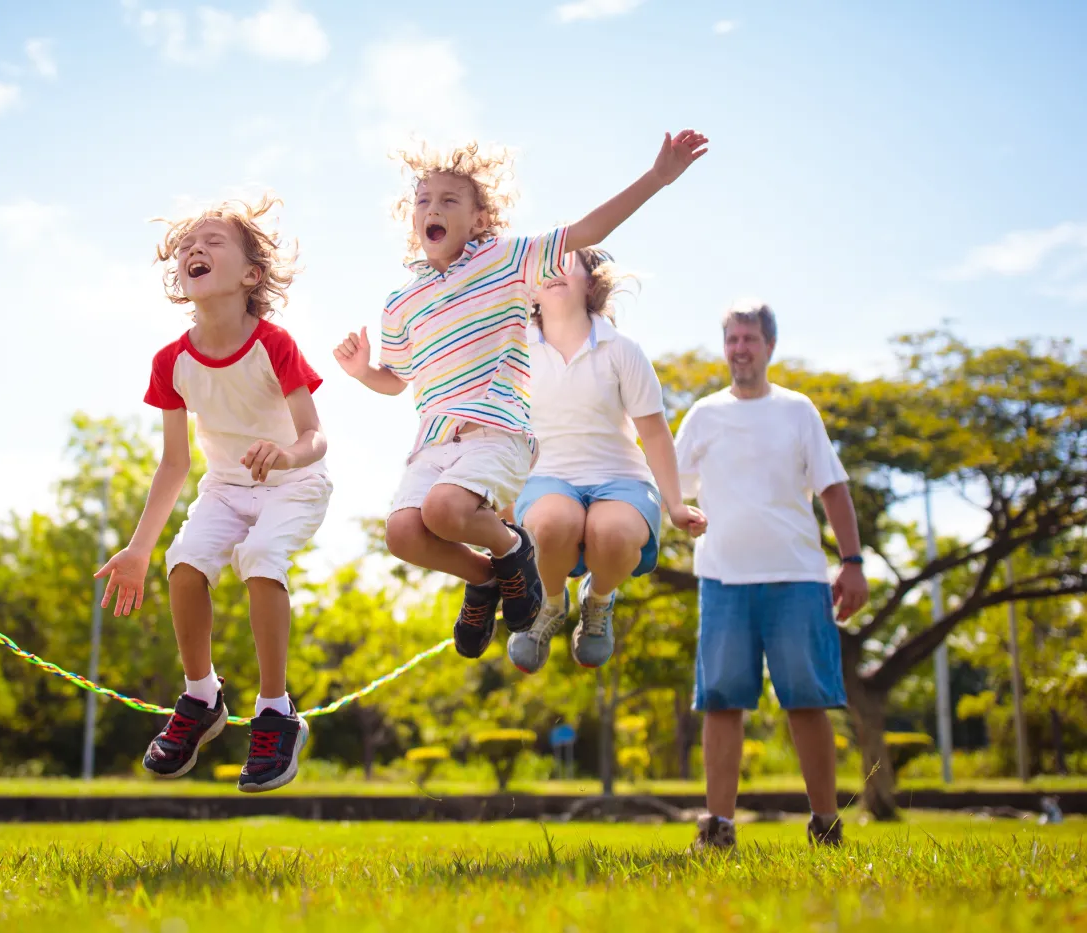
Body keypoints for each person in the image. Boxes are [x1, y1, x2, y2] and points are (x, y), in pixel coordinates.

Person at [334, 131, 709, 659]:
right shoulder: (401, 302)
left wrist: (656, 178)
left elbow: (586, 231)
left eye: (448, 200)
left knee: (445, 510)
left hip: (498, 432)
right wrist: (361, 372)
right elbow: (395, 380)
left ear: (479, 219)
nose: (432, 209)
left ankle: (516, 548)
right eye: (423, 201)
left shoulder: (506, 261)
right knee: (402, 533)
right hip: (436, 441)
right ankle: (488, 577)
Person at [95, 197, 330, 793]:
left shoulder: (273, 343)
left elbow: (314, 435)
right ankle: (202, 698)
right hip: (225, 488)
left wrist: (286, 455)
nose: (194, 249)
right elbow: (175, 462)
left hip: (294, 484)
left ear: (252, 274)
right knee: (183, 564)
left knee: (258, 559)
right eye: (186, 246)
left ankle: (277, 711)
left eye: (213, 241)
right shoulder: (171, 362)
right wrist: (137, 549)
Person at [674, 301, 869, 849]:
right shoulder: (704, 415)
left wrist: (852, 563)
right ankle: (718, 826)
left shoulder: (797, 410)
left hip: (798, 577)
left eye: (751, 339)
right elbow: (670, 484)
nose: (741, 348)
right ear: (725, 346)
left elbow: (832, 488)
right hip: (722, 579)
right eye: (733, 339)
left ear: (770, 346)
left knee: (807, 699)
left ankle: (826, 823)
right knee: (720, 701)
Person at [506, 246, 707, 675]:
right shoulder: (515, 350)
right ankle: (552, 604)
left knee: (613, 534)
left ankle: (597, 602)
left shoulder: (622, 350)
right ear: (531, 288)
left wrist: (674, 505)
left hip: (621, 480)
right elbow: (496, 428)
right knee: (553, 524)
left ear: (590, 282)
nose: (554, 270)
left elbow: (653, 432)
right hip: (547, 478)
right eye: (545, 265)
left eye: (566, 262)